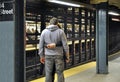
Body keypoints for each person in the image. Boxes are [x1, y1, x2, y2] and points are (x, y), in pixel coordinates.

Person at [38, 17, 70, 82]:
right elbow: (65, 45)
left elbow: (40, 45)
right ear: (57, 23)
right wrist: (67, 55)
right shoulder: (61, 32)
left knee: (48, 74)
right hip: (59, 55)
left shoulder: (44, 32)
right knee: (60, 73)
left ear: (50, 23)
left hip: (48, 55)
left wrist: (41, 56)